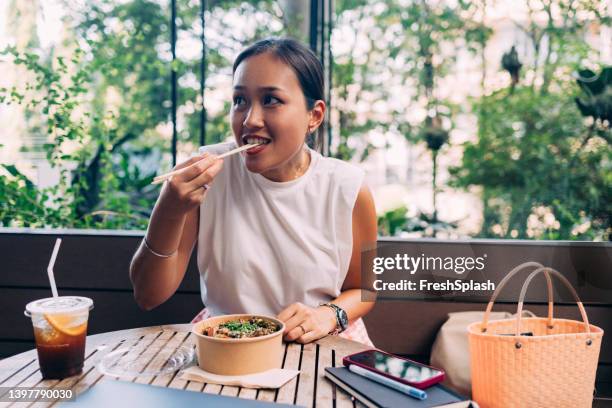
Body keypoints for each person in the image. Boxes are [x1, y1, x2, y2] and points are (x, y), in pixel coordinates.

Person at [129, 37, 377, 345]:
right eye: (240, 101)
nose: (250, 119)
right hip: (228, 344)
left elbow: (365, 290)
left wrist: (328, 315)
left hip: (321, 343)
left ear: (313, 115)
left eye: (271, 100)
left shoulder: (348, 187)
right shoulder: (208, 176)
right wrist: (168, 209)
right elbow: (148, 295)